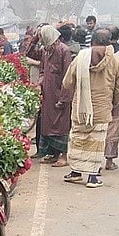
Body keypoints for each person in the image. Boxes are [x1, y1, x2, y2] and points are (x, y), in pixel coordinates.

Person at [60, 29, 119, 189]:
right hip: (102, 108)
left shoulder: (80, 58)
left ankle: (76, 172)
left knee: (78, 140)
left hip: (80, 109)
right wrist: (113, 102)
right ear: (109, 42)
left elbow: (67, 82)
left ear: (92, 42)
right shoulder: (116, 60)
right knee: (96, 142)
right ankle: (93, 176)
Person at [38, 24, 74, 167]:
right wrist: (40, 84)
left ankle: (63, 156)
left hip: (59, 95)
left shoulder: (63, 51)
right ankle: (53, 153)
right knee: (47, 126)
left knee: (61, 126)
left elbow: (68, 76)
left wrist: (64, 98)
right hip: (48, 95)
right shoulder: (46, 51)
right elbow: (42, 71)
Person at [103, 25, 119, 171]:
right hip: (114, 96)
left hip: (97, 96)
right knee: (113, 126)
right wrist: (117, 98)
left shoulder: (93, 53)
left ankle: (93, 161)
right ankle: (109, 160)